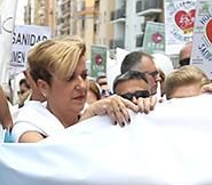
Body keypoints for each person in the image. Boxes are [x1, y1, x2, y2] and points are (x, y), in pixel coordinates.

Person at [11, 37, 151, 143]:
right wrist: (86, 121)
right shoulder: (27, 126)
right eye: (69, 78)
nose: (82, 85)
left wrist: (143, 111)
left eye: (84, 75)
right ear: (44, 87)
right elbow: (51, 164)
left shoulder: (100, 114)